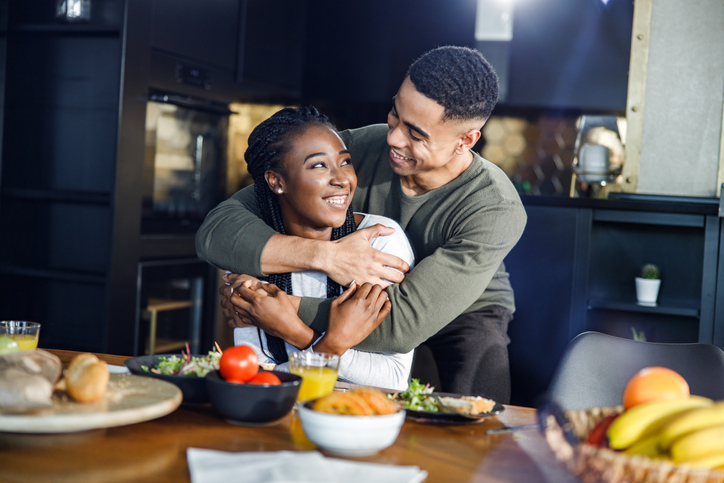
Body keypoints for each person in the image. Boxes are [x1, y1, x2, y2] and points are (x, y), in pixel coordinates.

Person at [196, 46, 527, 403]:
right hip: (352, 297)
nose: (393, 138)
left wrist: (275, 306)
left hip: (465, 312)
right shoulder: (359, 151)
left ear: (466, 141)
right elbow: (217, 231)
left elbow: (400, 327)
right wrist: (326, 257)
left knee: (480, 420)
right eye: (395, 114)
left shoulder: (496, 208)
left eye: (415, 134)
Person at [225, 106, 415, 391]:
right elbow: (258, 376)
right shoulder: (255, 253)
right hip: (280, 413)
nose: (342, 179)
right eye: (318, 165)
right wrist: (332, 345)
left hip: (361, 418)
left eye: (345, 162)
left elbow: (393, 378)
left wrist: (297, 333)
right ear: (276, 181)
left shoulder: (379, 242)